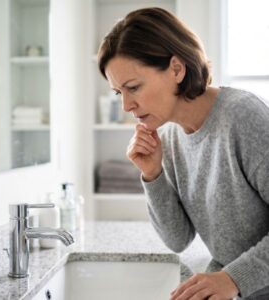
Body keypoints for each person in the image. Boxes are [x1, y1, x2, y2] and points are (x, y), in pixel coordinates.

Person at [97, 7, 269, 300]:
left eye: (134, 87)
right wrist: (152, 174)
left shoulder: (242, 116)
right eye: (118, 93)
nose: (126, 106)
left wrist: (232, 278)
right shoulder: (170, 136)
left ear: (177, 69)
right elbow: (178, 239)